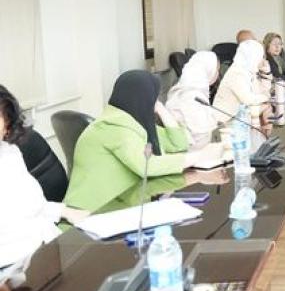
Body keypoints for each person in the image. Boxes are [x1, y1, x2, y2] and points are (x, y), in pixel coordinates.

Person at [64, 71, 225, 214]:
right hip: (91, 214)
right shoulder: (114, 127)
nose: (154, 101)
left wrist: (161, 109)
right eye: (153, 96)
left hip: (123, 203)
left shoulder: (134, 121)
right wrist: (200, 156)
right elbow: (147, 166)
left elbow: (179, 143)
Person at [0, 85, 88, 268]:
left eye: (5, 124)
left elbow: (32, 206)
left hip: (48, 248)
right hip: (14, 264)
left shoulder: (9, 153)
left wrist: (66, 212)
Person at [165, 51, 220, 149]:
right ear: (208, 70)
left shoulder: (184, 88)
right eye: (217, 70)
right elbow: (202, 138)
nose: (217, 74)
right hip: (196, 152)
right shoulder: (193, 97)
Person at [213, 39, 272, 123]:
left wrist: (266, 73)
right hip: (224, 122)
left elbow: (262, 92)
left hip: (239, 119)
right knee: (266, 108)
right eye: (261, 56)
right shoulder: (236, 73)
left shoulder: (249, 71)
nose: (263, 60)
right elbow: (249, 100)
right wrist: (267, 98)